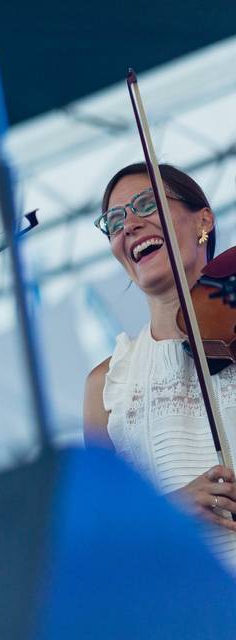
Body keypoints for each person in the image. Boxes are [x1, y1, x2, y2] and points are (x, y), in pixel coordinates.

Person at [83, 162, 236, 570]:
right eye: (114, 221)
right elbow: (104, 539)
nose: (129, 224)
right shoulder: (106, 385)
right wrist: (171, 509)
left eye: (146, 204)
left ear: (202, 219)